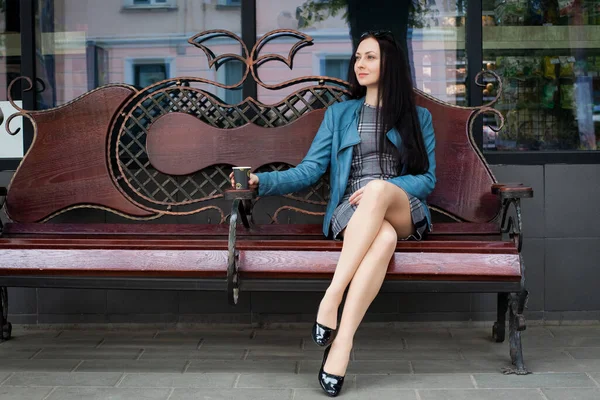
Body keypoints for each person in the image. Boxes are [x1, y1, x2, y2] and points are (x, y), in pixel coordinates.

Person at [229, 30, 436, 397]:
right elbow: (309, 170)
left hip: (402, 206)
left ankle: (331, 297)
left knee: (378, 191)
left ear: (391, 64)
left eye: (370, 57)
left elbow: (427, 178)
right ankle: (341, 346)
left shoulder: (418, 117)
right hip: (351, 214)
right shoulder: (339, 115)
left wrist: (385, 189)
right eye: (358, 57)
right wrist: (262, 180)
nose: (361, 63)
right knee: (383, 237)